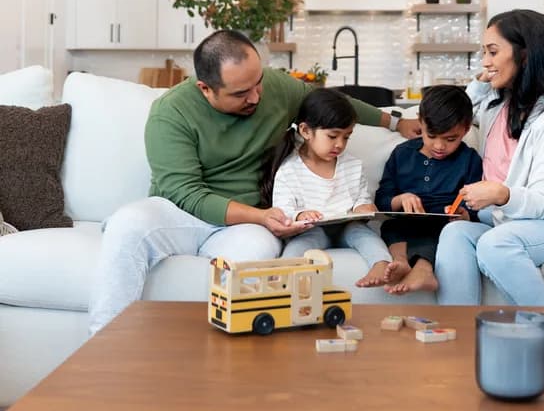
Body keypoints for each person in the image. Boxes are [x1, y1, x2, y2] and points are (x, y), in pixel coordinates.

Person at [87, 29, 420, 333]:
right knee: (128, 223)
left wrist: (395, 122)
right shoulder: (170, 114)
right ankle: (104, 344)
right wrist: (261, 216)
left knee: (258, 253)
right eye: (241, 93)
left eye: (258, 82)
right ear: (205, 88)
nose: (256, 97)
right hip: (181, 215)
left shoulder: (274, 88)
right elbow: (186, 194)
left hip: (242, 226)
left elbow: (330, 105)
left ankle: (216, 356)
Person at [434, 9, 544, 307]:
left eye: (493, 52)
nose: (485, 62)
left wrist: (501, 194)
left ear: (525, 55)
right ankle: (460, 337)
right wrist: (483, 82)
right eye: (484, 52)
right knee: (455, 233)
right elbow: (457, 113)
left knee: (496, 244)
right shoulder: (497, 107)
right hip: (503, 222)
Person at [262, 87, 395, 287]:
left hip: (347, 227)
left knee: (364, 235)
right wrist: (300, 215)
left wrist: (363, 207)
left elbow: (361, 197)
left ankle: (381, 264)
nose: (340, 144)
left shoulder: (352, 165)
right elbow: (282, 209)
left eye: (346, 137)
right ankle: (284, 272)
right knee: (300, 246)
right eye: (333, 136)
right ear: (306, 131)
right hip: (312, 230)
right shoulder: (290, 170)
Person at [374, 85, 483, 295]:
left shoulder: (469, 160)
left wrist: (466, 215)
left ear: (466, 129)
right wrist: (400, 199)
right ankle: (401, 262)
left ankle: (424, 269)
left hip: (443, 222)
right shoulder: (402, 154)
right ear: (420, 122)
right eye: (431, 136)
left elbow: (477, 207)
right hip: (406, 220)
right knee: (390, 227)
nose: (440, 146)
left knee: (441, 231)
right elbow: (382, 200)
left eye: (450, 139)